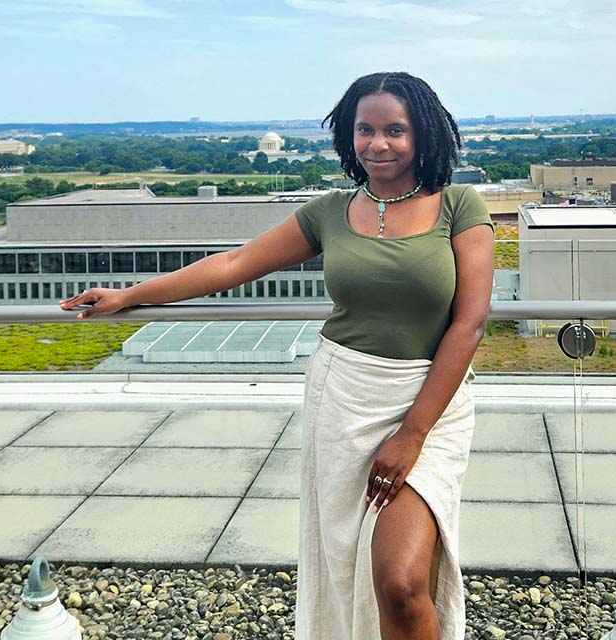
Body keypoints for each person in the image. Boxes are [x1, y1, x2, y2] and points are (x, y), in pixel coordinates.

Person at [61, 71, 493, 640]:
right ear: (348, 134)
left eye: (395, 130)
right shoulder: (330, 212)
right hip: (343, 398)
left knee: (400, 582)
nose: (378, 144)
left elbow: (469, 323)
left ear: (425, 136)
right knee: (346, 561)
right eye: (365, 129)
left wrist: (412, 433)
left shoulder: (459, 205)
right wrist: (130, 295)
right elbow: (235, 264)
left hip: (427, 405)